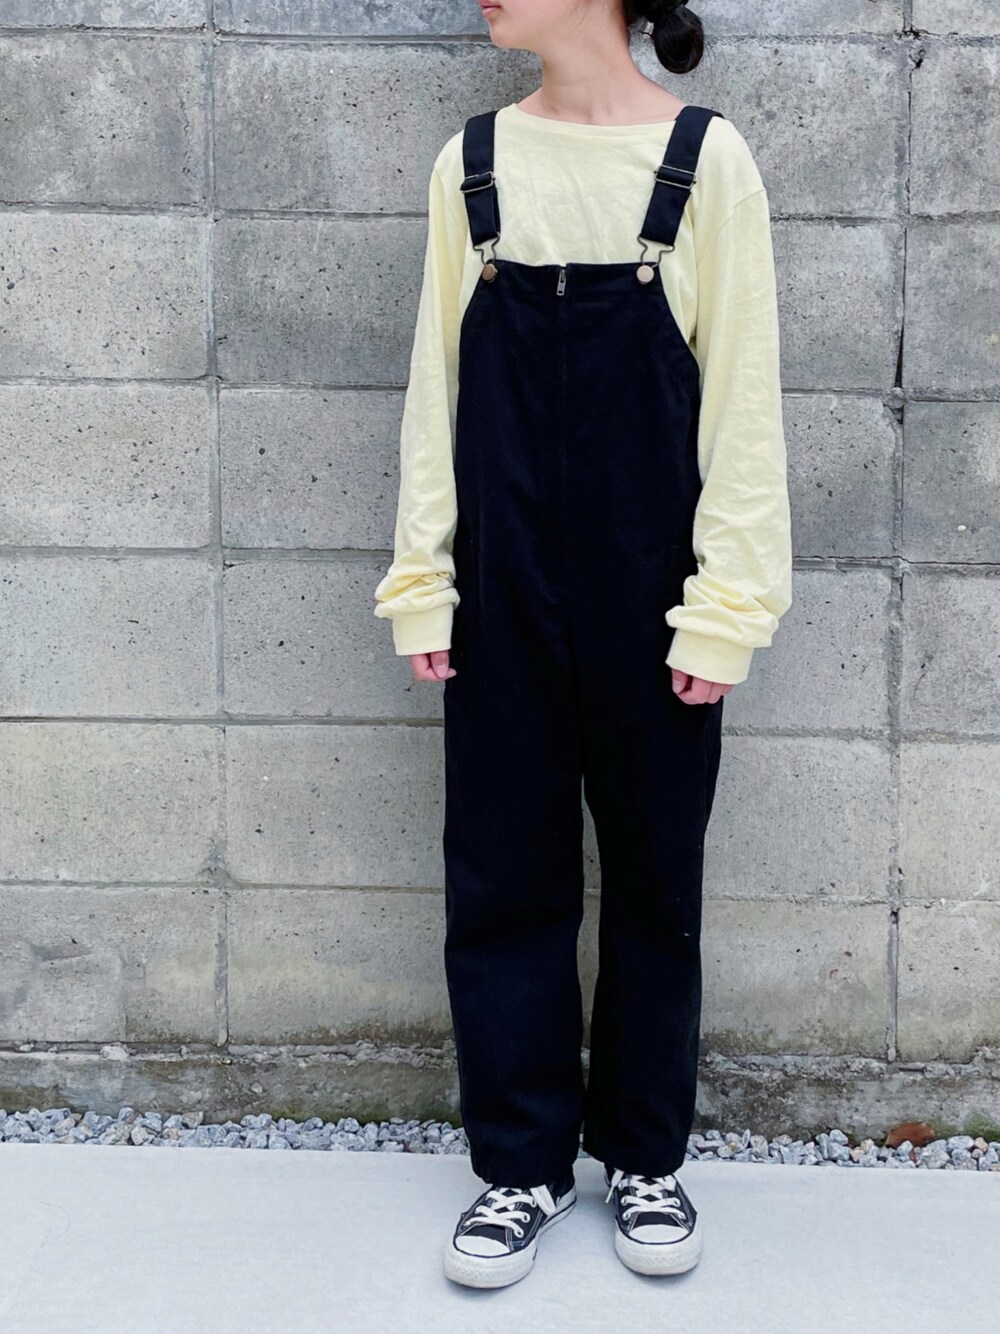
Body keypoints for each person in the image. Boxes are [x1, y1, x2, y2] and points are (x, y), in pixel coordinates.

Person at [372, 0, 792, 1290]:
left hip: (656, 597)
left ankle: (646, 1157)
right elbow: (437, 390)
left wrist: (727, 609)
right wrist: (424, 581)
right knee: (503, 876)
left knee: (658, 879)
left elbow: (744, 405)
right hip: (500, 588)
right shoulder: (473, 163)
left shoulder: (705, 162)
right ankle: (522, 1167)